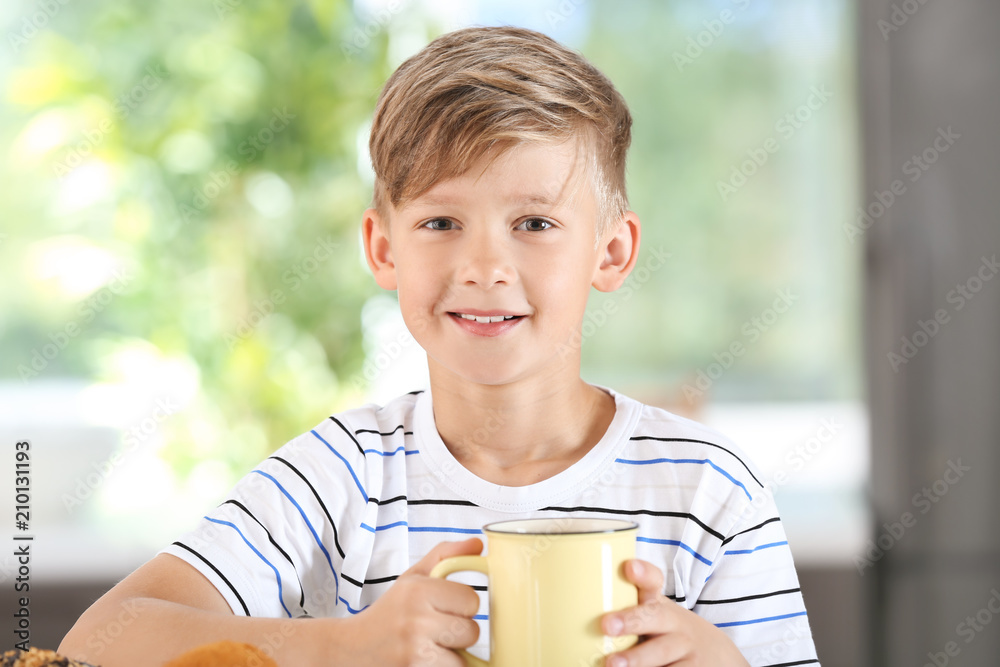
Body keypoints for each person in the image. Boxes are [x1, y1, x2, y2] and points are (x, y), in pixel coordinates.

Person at [60, 25, 819, 667]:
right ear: (383, 248)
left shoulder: (710, 490)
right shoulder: (337, 477)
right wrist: (342, 645)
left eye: (535, 223)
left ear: (612, 253)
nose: (484, 267)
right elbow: (94, 644)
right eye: (440, 222)